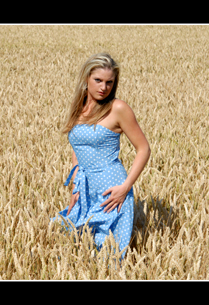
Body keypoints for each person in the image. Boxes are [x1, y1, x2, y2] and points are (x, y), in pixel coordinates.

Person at [51, 53, 151, 260]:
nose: (103, 87)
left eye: (109, 82)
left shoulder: (118, 109)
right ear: (86, 78)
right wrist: (75, 187)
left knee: (108, 254)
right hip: (85, 188)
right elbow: (77, 149)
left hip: (111, 188)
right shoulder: (79, 108)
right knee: (76, 246)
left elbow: (144, 149)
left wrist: (125, 188)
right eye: (98, 80)